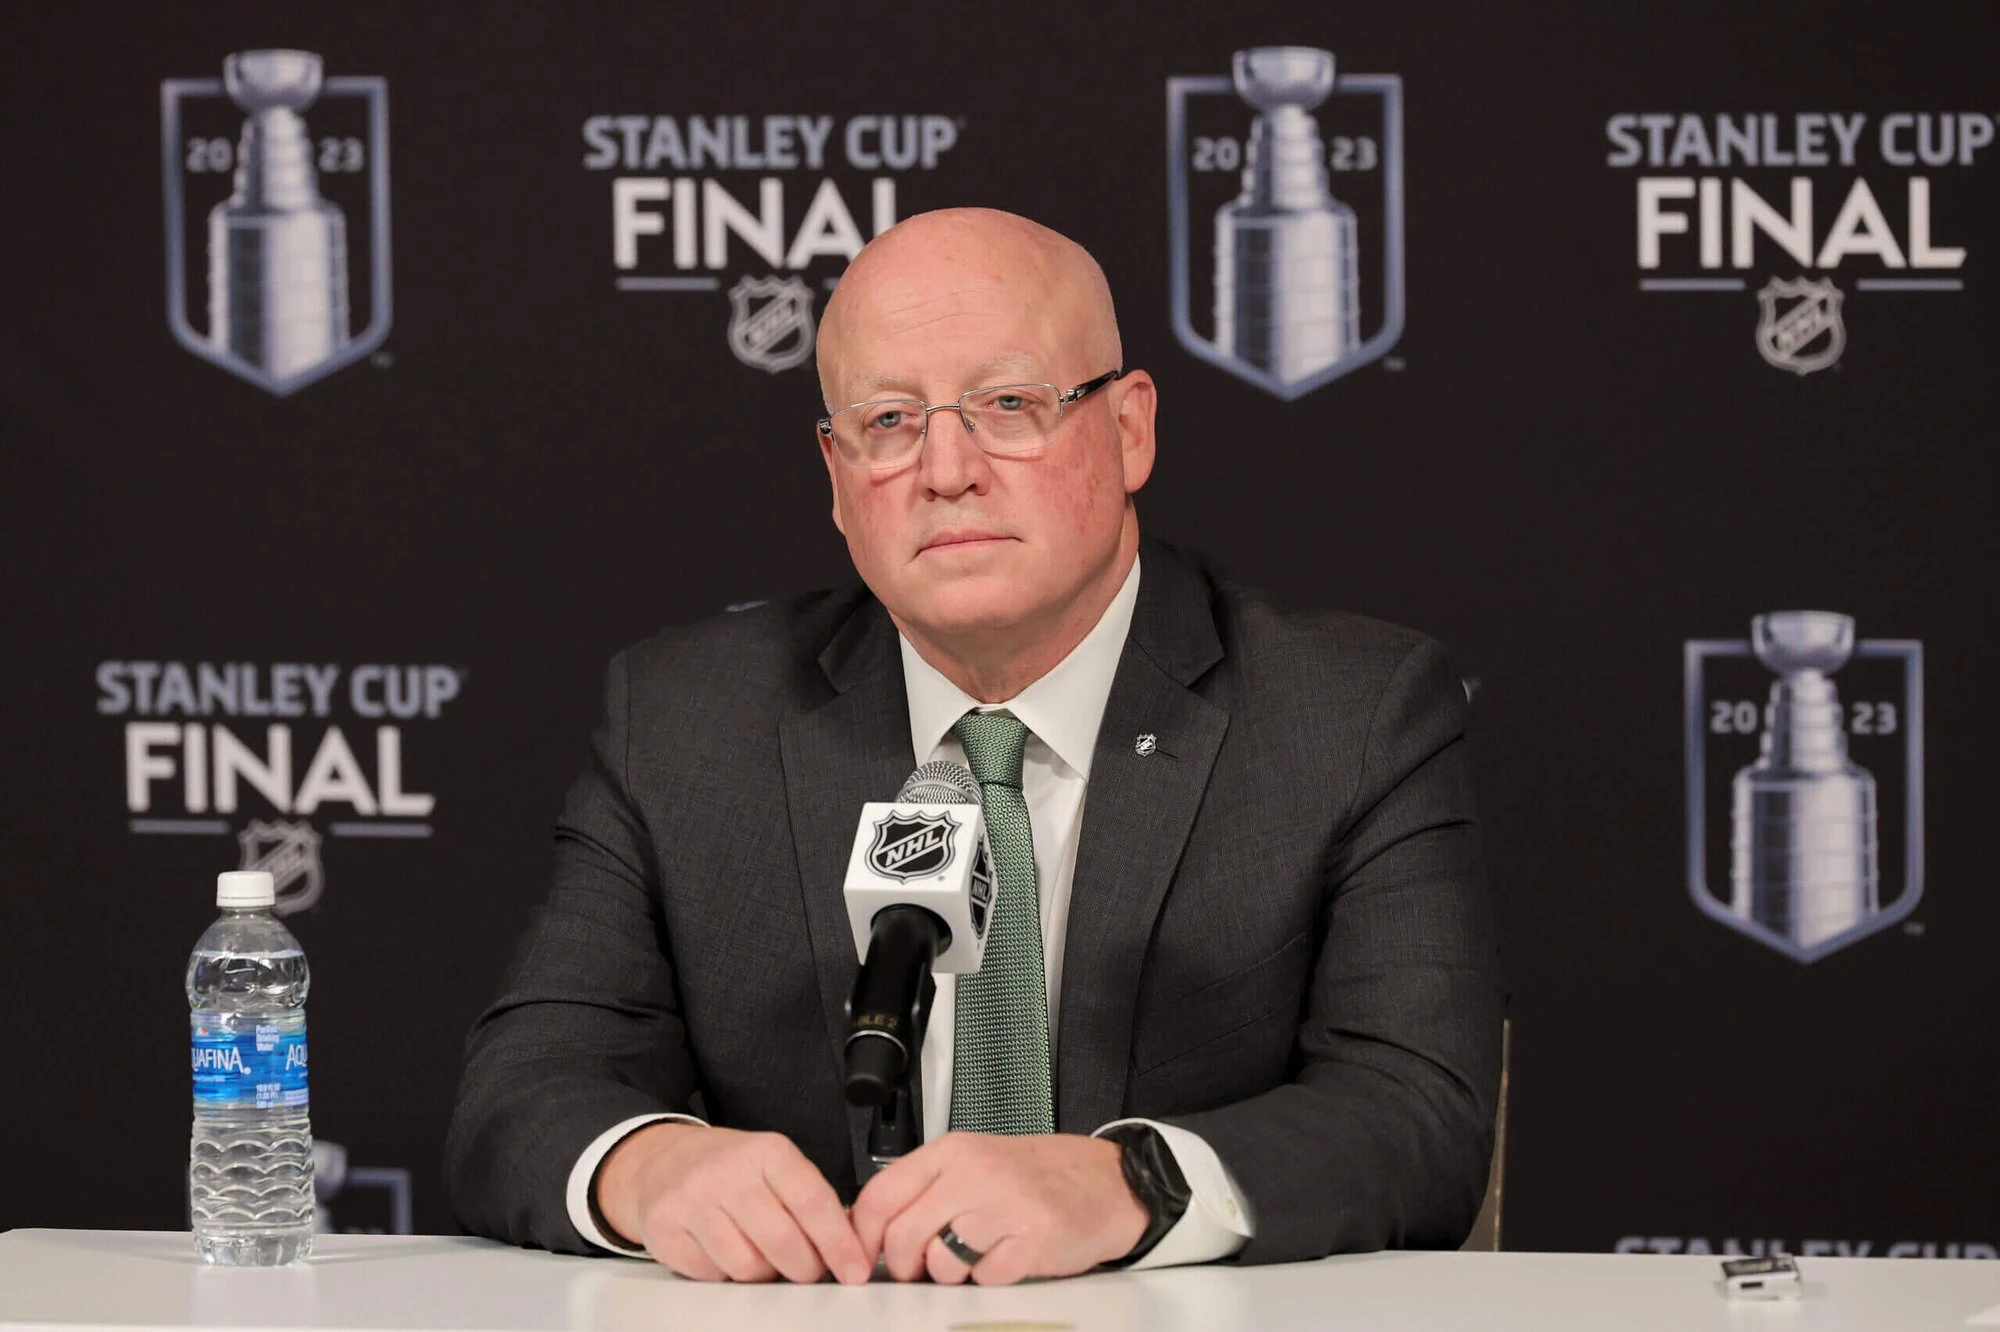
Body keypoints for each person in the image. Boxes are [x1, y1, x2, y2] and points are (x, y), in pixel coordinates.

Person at [445, 208, 1504, 1286]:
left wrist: (1127, 1186)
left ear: (1129, 430)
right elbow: (522, 1087)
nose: (945, 469)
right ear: (835, 473)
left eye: (1008, 405)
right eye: (889, 421)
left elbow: (1416, 1111)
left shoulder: (1348, 716)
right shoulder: (684, 723)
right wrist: (651, 1167)